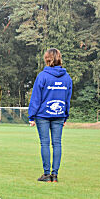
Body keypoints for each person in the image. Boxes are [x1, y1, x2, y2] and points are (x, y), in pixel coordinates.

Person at [28, 48, 72, 183]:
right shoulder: (67, 77)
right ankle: (55, 175)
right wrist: (65, 116)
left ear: (47, 59)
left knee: (45, 143)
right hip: (59, 115)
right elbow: (67, 99)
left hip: (42, 115)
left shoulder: (42, 76)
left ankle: (47, 174)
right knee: (57, 143)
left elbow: (36, 97)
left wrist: (31, 116)